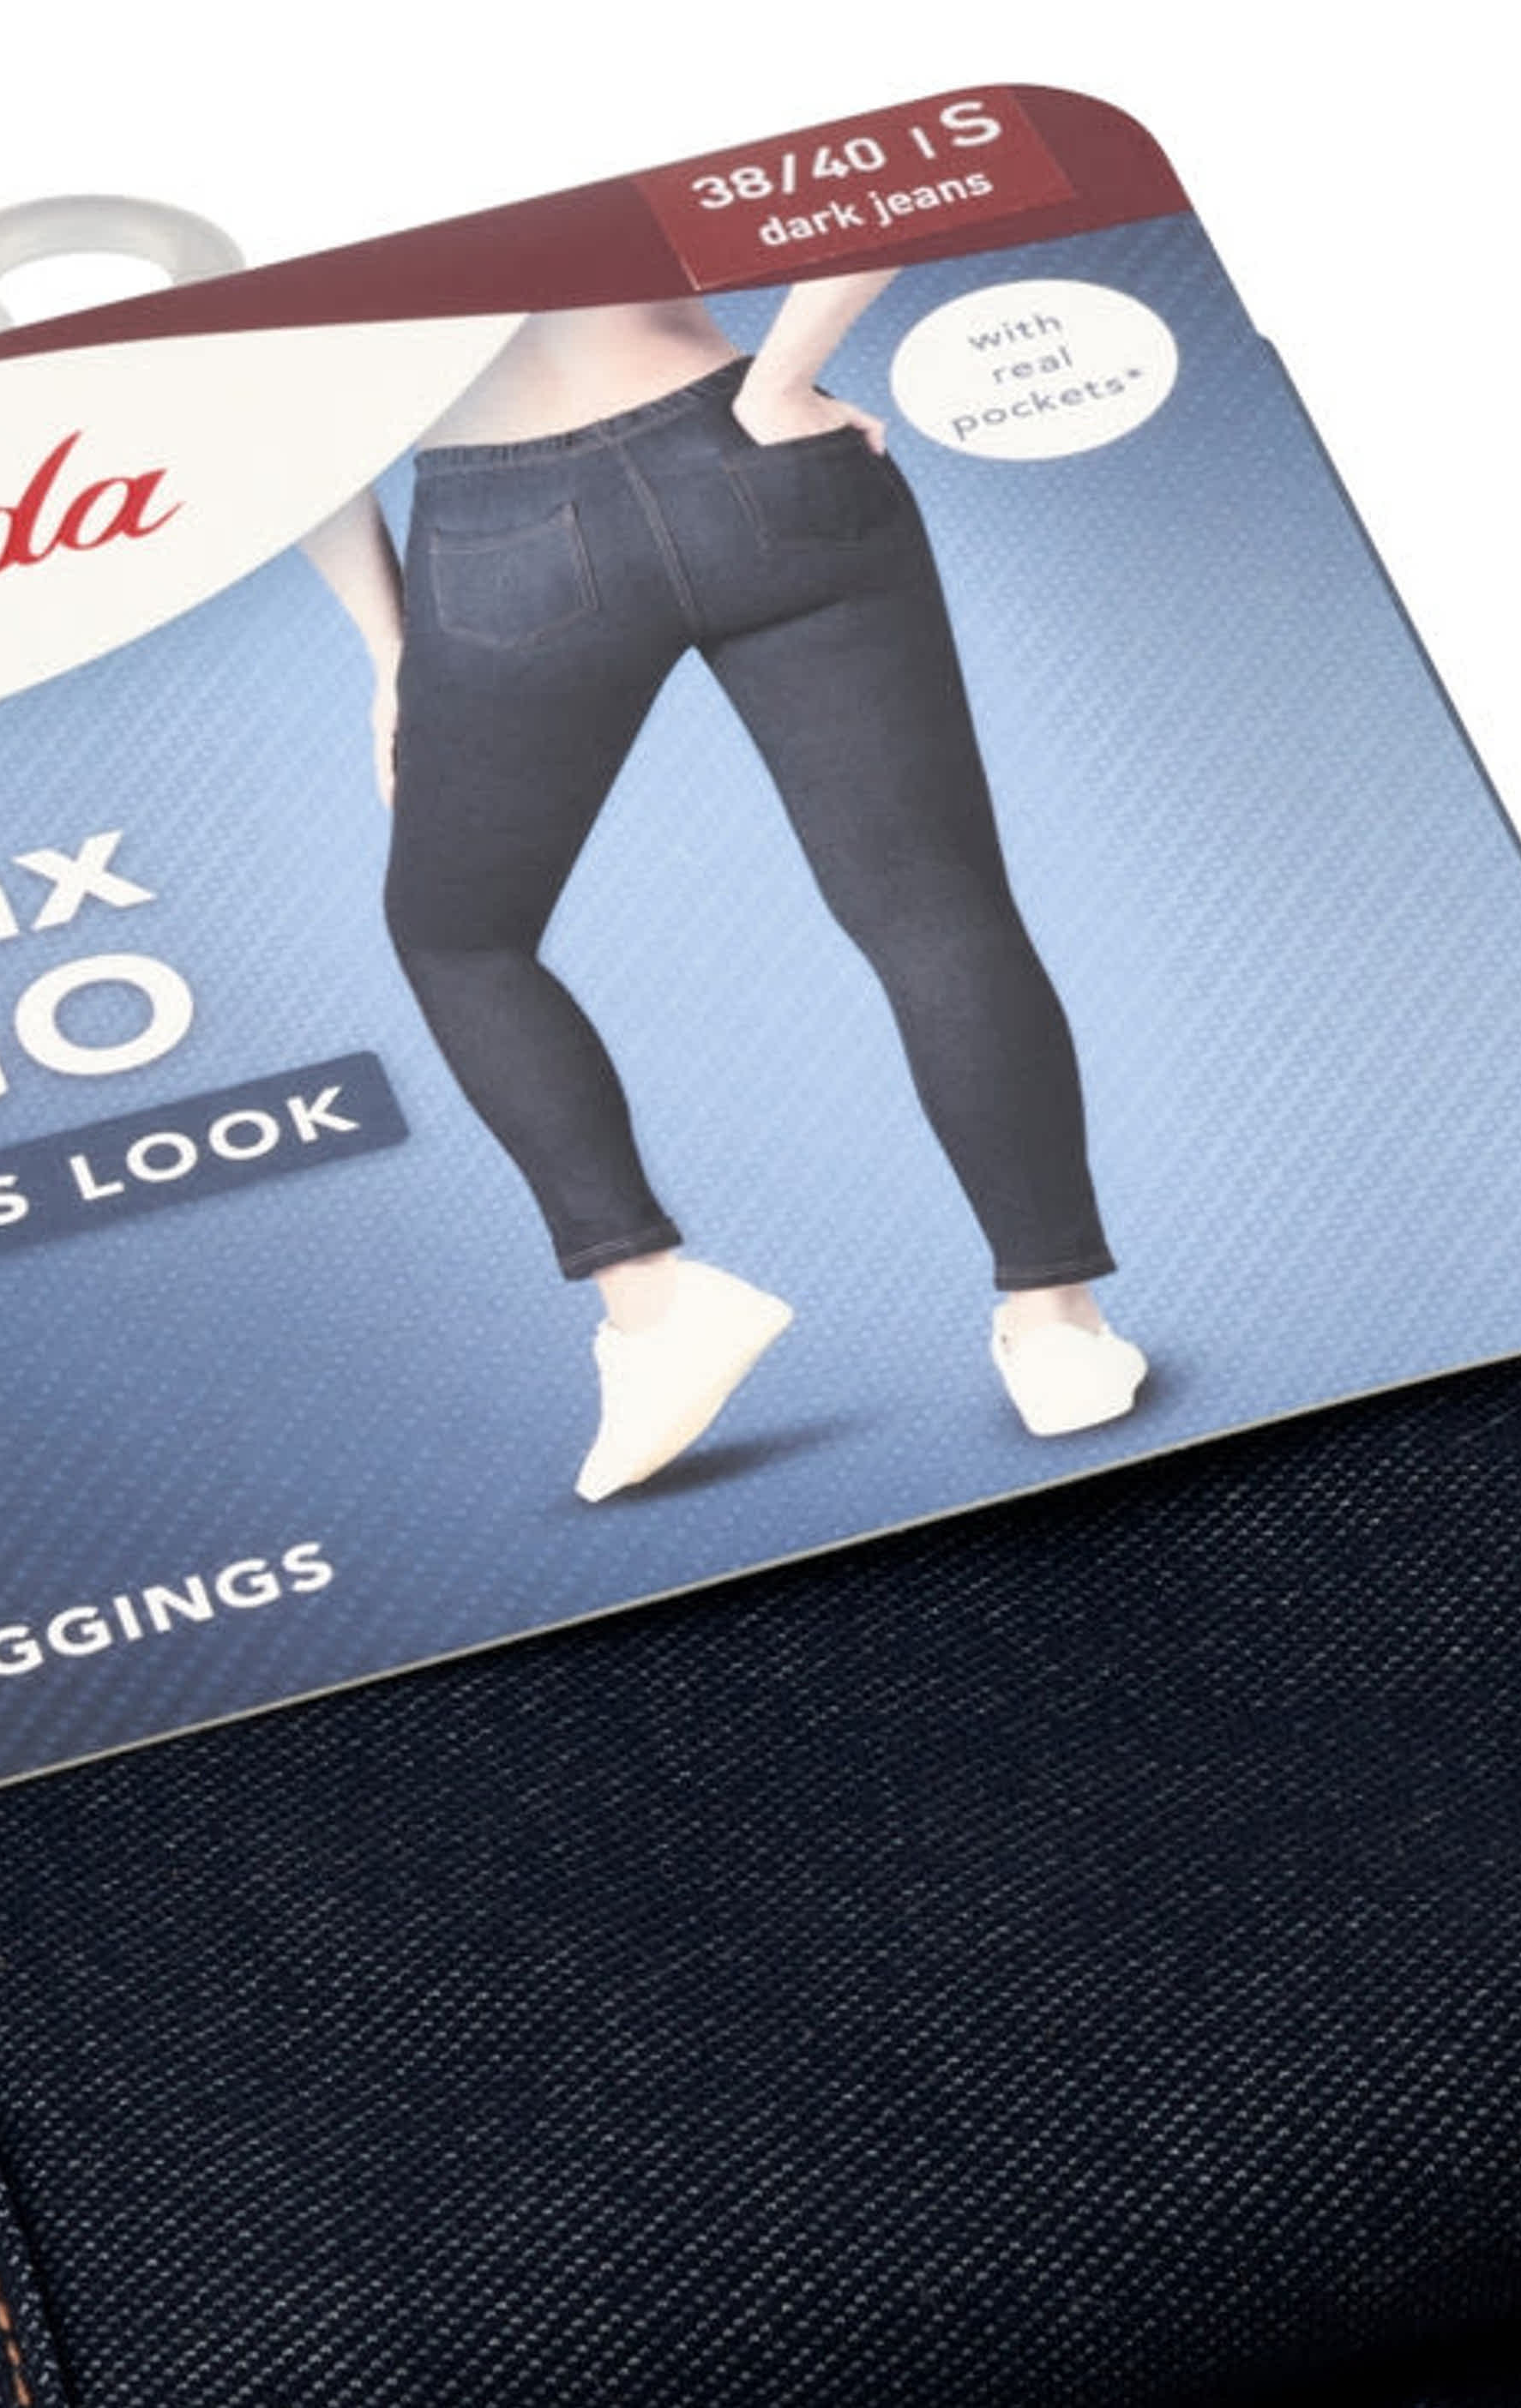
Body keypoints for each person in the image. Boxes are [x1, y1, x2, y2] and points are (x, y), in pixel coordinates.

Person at [301, 279, 1146, 1501]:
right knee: (931, 897)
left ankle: (655, 1314)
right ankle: (1057, 1328)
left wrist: (392, 649)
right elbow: (859, 194)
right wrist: (785, 381)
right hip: (750, 448)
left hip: (500, 531)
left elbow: (271, 433)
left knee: (461, 939)